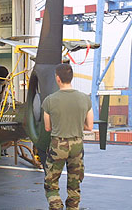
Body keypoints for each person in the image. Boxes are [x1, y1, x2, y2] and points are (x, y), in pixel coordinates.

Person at [42, 63, 93, 210]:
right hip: (77, 144)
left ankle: (56, 206)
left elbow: (47, 127)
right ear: (72, 77)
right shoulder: (85, 99)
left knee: (51, 182)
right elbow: (89, 126)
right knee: (74, 181)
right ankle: (73, 207)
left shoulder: (49, 100)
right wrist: (76, 124)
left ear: (58, 78)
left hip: (58, 145)